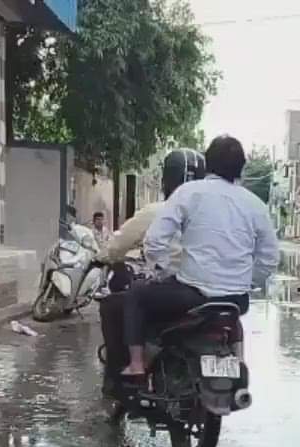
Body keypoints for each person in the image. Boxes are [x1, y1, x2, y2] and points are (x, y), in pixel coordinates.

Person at [120, 135, 280, 379]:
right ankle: (238, 365)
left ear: (208, 163)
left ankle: (137, 365)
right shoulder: (255, 204)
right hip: (236, 301)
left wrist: (163, 271)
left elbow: (155, 241)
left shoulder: (189, 193)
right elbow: (269, 258)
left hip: (191, 296)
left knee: (135, 296)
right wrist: (247, 283)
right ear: (241, 167)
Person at [97, 148, 205, 395]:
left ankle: (125, 373)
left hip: (177, 289)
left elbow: (120, 243)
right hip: (213, 291)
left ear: (168, 179)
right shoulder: (212, 213)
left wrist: (100, 257)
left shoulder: (158, 210)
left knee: (115, 305)